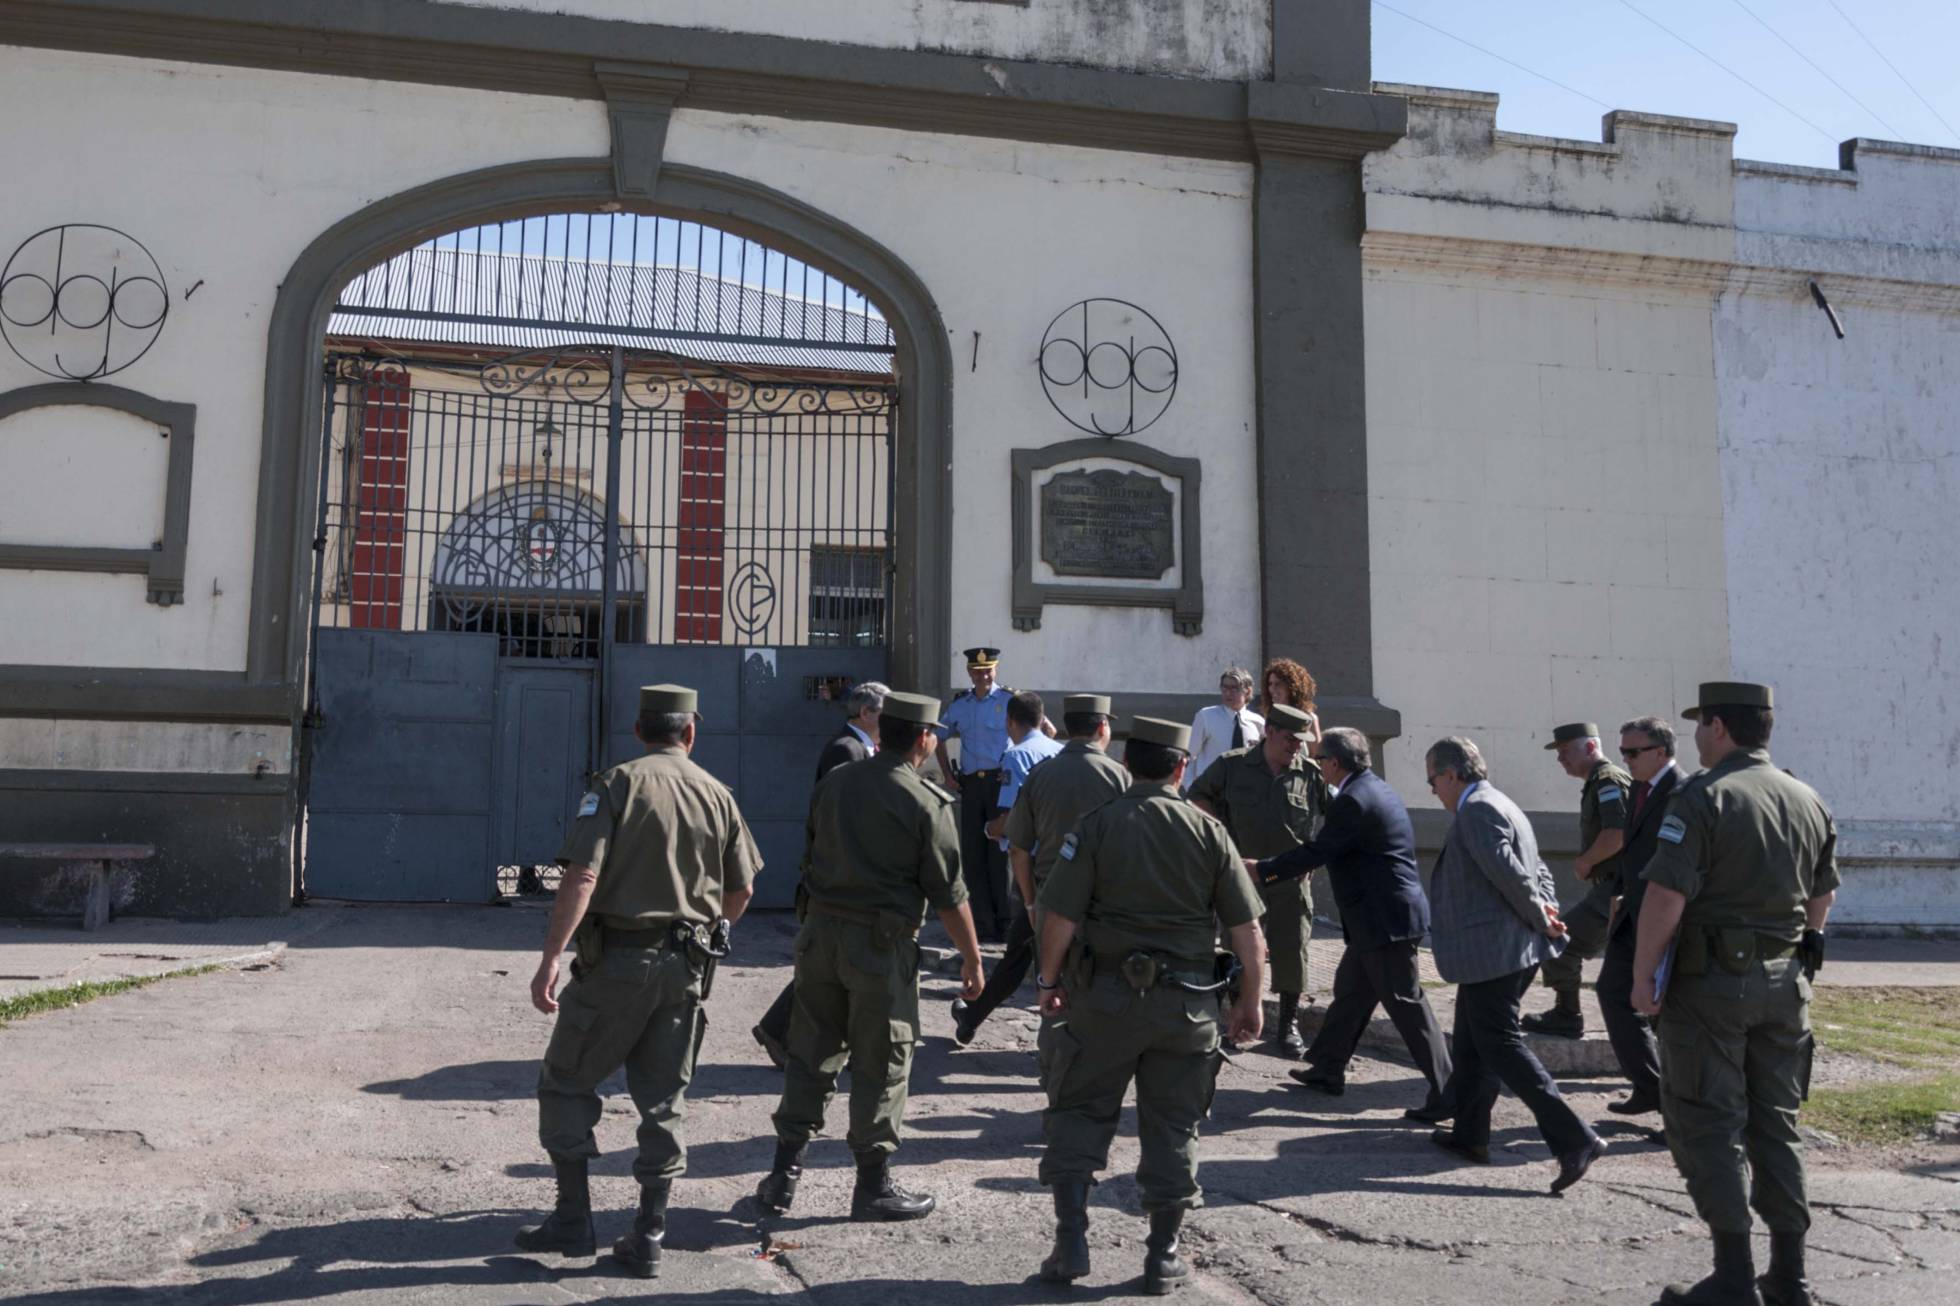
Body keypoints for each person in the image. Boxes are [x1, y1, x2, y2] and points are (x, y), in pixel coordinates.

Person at [515, 684, 763, 1279]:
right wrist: (710, 932)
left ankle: (572, 1219)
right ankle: (649, 1235)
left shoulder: (616, 785)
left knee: (566, 1081)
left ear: (638, 730)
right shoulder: (717, 794)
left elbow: (582, 875)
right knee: (664, 1100)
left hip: (618, 963)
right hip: (685, 968)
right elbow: (743, 888)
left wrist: (551, 957)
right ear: (690, 732)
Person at [1032, 716, 1266, 1294]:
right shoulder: (1210, 833)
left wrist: (1048, 979)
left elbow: (1058, 915)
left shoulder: (1097, 825)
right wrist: (1251, 1002)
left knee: (1078, 1112)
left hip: (1103, 1001)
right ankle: (1163, 1255)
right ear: (1182, 767)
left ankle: (1071, 1241)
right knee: (1174, 1125)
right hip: (1187, 1008)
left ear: (1127, 764)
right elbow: (1247, 930)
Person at [1632, 683, 1837, 1306]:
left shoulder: (1704, 796)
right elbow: (1822, 894)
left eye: (1701, 723)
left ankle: (1731, 1278)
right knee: (1777, 1124)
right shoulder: (1806, 797)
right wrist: (1801, 944)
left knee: (1708, 1122)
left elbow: (1666, 895)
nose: (1696, 735)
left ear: (1719, 727)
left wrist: (1642, 977)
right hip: (1786, 985)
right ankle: (1790, 1278)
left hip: (1712, 986)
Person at [756, 691, 986, 1223]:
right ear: (924, 738)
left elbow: (810, 854)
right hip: (880, 948)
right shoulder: (925, 801)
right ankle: (872, 1186)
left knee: (810, 1054)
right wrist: (973, 961)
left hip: (819, 938)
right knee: (883, 1061)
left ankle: (782, 1176)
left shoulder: (836, 783)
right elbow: (950, 895)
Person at [1424, 736, 1603, 1193]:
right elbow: (1538, 869)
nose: (1433, 792)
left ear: (1451, 774)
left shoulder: (1478, 810)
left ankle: (1575, 1139)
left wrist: (1543, 919)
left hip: (1496, 953)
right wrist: (1547, 910)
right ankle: (1470, 1135)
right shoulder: (1501, 802)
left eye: (1432, 781)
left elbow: (1512, 875)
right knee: (1471, 1044)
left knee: (1501, 1046)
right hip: (1498, 951)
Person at [1253, 727, 1451, 1118]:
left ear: (1334, 762)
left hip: (1384, 921)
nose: (1318, 766)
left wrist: (1264, 870)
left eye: (1320, 760)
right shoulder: (1375, 788)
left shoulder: (1353, 800)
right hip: (1379, 918)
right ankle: (1328, 1068)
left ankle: (1450, 1092)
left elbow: (1319, 851)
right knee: (1351, 994)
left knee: (1407, 1006)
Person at [751, 680, 889, 1071]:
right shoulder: (846, 749)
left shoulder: (862, 747)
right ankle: (779, 1030)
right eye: (887, 712)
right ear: (866, 713)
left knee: (831, 962)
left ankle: (784, 1031)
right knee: (827, 962)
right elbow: (839, 811)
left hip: (845, 870)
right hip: (839, 872)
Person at [1188, 703, 1324, 1058]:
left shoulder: (1309, 773)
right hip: (1242, 877)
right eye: (1290, 739)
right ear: (1269, 732)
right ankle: (1239, 1016)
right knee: (1239, 949)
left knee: (1293, 949)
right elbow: (1197, 797)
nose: (1296, 746)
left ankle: (1288, 1024)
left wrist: (1314, 855)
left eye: (1300, 740)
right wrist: (1220, 838)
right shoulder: (1233, 765)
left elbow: (1335, 818)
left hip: (1289, 879)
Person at [947, 690, 1068, 1045]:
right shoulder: (1060, 752)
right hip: (1066, 864)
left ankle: (1057, 1036)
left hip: (1034, 868)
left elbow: (1012, 820)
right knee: (1022, 952)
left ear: (1009, 722)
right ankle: (972, 1017)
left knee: (1028, 951)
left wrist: (990, 829)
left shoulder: (1016, 755)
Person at [1523, 723, 1632, 1038]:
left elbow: (1617, 832)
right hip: (1613, 886)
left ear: (1590, 747)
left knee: (1559, 941)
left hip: (1617, 886)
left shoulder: (1607, 780)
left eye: (1566, 751)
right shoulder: (1599, 781)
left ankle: (1568, 1014)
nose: (1561, 759)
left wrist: (1586, 861)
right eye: (1558, 753)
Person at [1594, 714, 1678, 1117]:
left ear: (1660, 752)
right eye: (1622, 751)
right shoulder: (1640, 788)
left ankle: (1678, 1108)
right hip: (1632, 911)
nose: (1625, 759)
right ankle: (1649, 1086)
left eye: (1633, 752)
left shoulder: (1681, 791)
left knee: (1669, 1015)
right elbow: (1631, 850)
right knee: (1612, 991)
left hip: (1663, 917)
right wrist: (1617, 894)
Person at [935, 646, 1019, 942]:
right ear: (969, 672)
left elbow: (1040, 730)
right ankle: (982, 922)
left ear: (996, 670)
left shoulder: (1010, 701)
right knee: (972, 853)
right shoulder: (960, 704)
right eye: (977, 671)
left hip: (1001, 783)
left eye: (988, 670)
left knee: (1000, 852)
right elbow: (938, 737)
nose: (983, 676)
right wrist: (947, 775)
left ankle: (1005, 921)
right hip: (971, 785)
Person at [1184, 666, 1264, 791]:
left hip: (1244, 791)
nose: (1227, 693)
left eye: (1234, 688)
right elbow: (1189, 755)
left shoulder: (1258, 722)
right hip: (1211, 791)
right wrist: (1190, 787)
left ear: (1247, 692)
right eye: (1224, 687)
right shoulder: (1206, 716)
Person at [1261, 658, 1322, 743]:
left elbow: (1316, 750)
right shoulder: (1271, 715)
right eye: (1270, 684)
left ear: (1292, 687)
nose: (1272, 689)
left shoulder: (1309, 719)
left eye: (1278, 684)